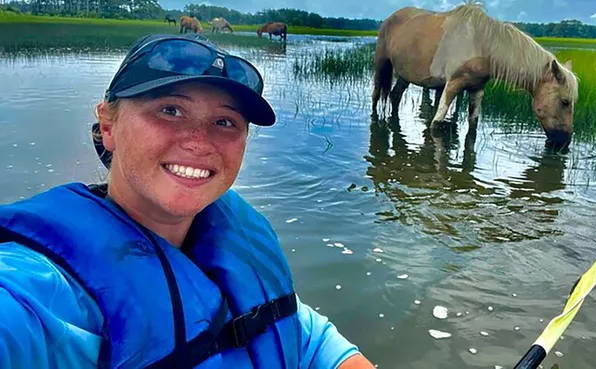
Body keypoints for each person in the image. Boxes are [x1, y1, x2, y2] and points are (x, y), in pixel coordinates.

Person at [0, 33, 375, 369]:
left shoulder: (233, 250)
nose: (199, 141)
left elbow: (306, 339)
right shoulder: (38, 293)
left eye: (225, 122)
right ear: (108, 126)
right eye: (170, 110)